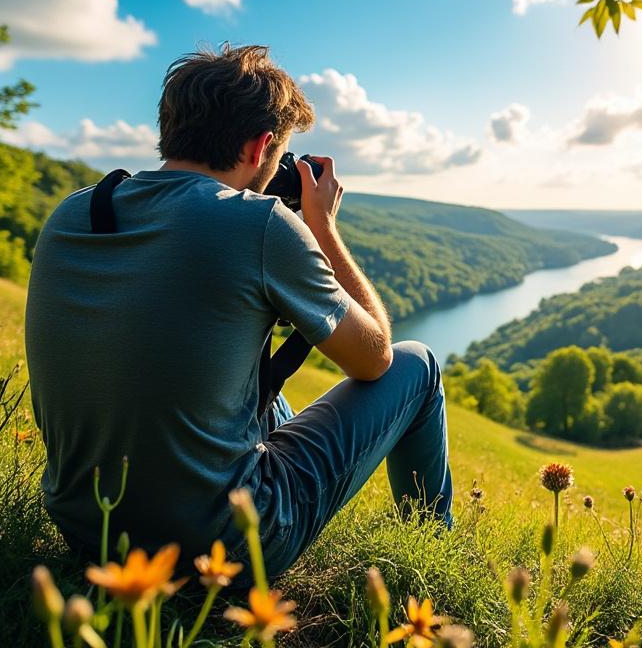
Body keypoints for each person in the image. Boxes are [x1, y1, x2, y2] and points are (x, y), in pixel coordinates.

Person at [25, 43, 454, 579]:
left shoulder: (77, 212)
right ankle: (435, 553)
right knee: (418, 363)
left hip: (89, 529)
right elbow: (374, 359)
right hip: (224, 549)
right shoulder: (260, 224)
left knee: (264, 400)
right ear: (261, 146)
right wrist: (322, 227)